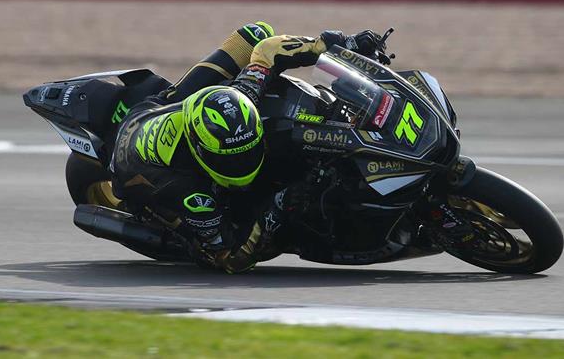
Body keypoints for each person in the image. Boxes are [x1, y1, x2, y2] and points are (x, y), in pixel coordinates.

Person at [110, 22, 385, 273]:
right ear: (201, 153)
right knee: (218, 236)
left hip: (174, 111)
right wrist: (275, 212)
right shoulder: (186, 189)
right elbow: (230, 258)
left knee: (255, 34)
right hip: (138, 164)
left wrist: (338, 45)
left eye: (249, 150)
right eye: (232, 161)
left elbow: (267, 50)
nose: (245, 163)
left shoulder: (244, 94)